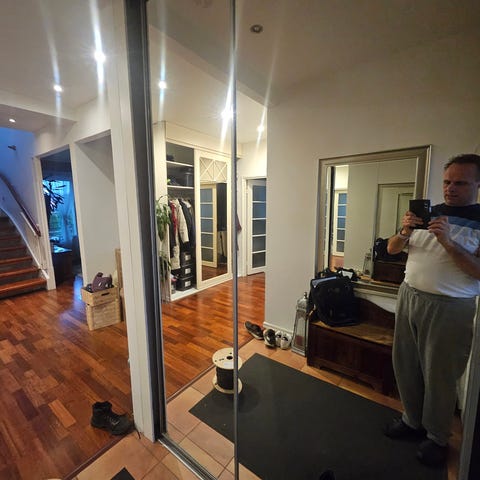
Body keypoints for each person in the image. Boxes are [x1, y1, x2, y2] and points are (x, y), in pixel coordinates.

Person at [383, 153, 480, 467]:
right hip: (409, 295)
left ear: (477, 185)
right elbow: (391, 249)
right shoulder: (428, 213)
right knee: (405, 363)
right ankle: (412, 420)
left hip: (451, 306)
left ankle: (437, 437)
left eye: (460, 183)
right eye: (447, 181)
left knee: (440, 375)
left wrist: (449, 242)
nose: (450, 188)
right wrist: (404, 231)